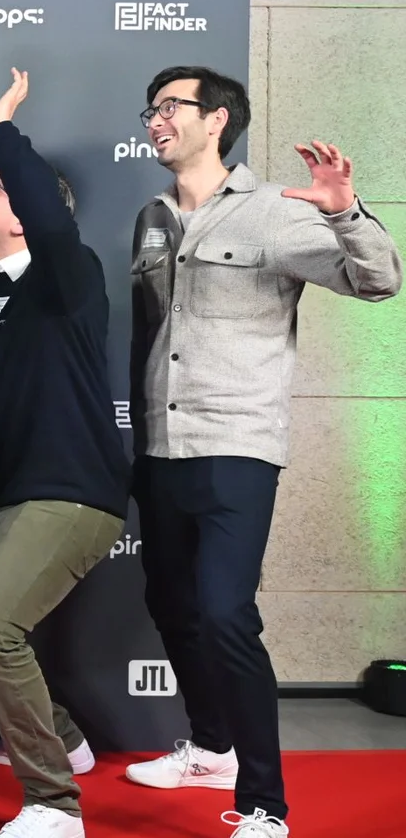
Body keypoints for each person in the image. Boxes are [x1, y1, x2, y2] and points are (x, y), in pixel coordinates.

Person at [124, 67, 401, 838]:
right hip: (161, 444)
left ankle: (263, 805)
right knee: (172, 606)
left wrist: (346, 211)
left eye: (169, 107)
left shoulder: (276, 213)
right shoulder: (151, 216)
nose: (155, 119)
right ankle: (211, 745)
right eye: (151, 109)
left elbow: (380, 281)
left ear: (216, 121)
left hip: (236, 443)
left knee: (222, 613)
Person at [0, 70, 130, 838]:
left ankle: (53, 805)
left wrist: (2, 130)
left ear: (26, 213)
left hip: (73, 495)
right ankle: (69, 737)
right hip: (12, 500)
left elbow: (53, 225)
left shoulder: (69, 274)